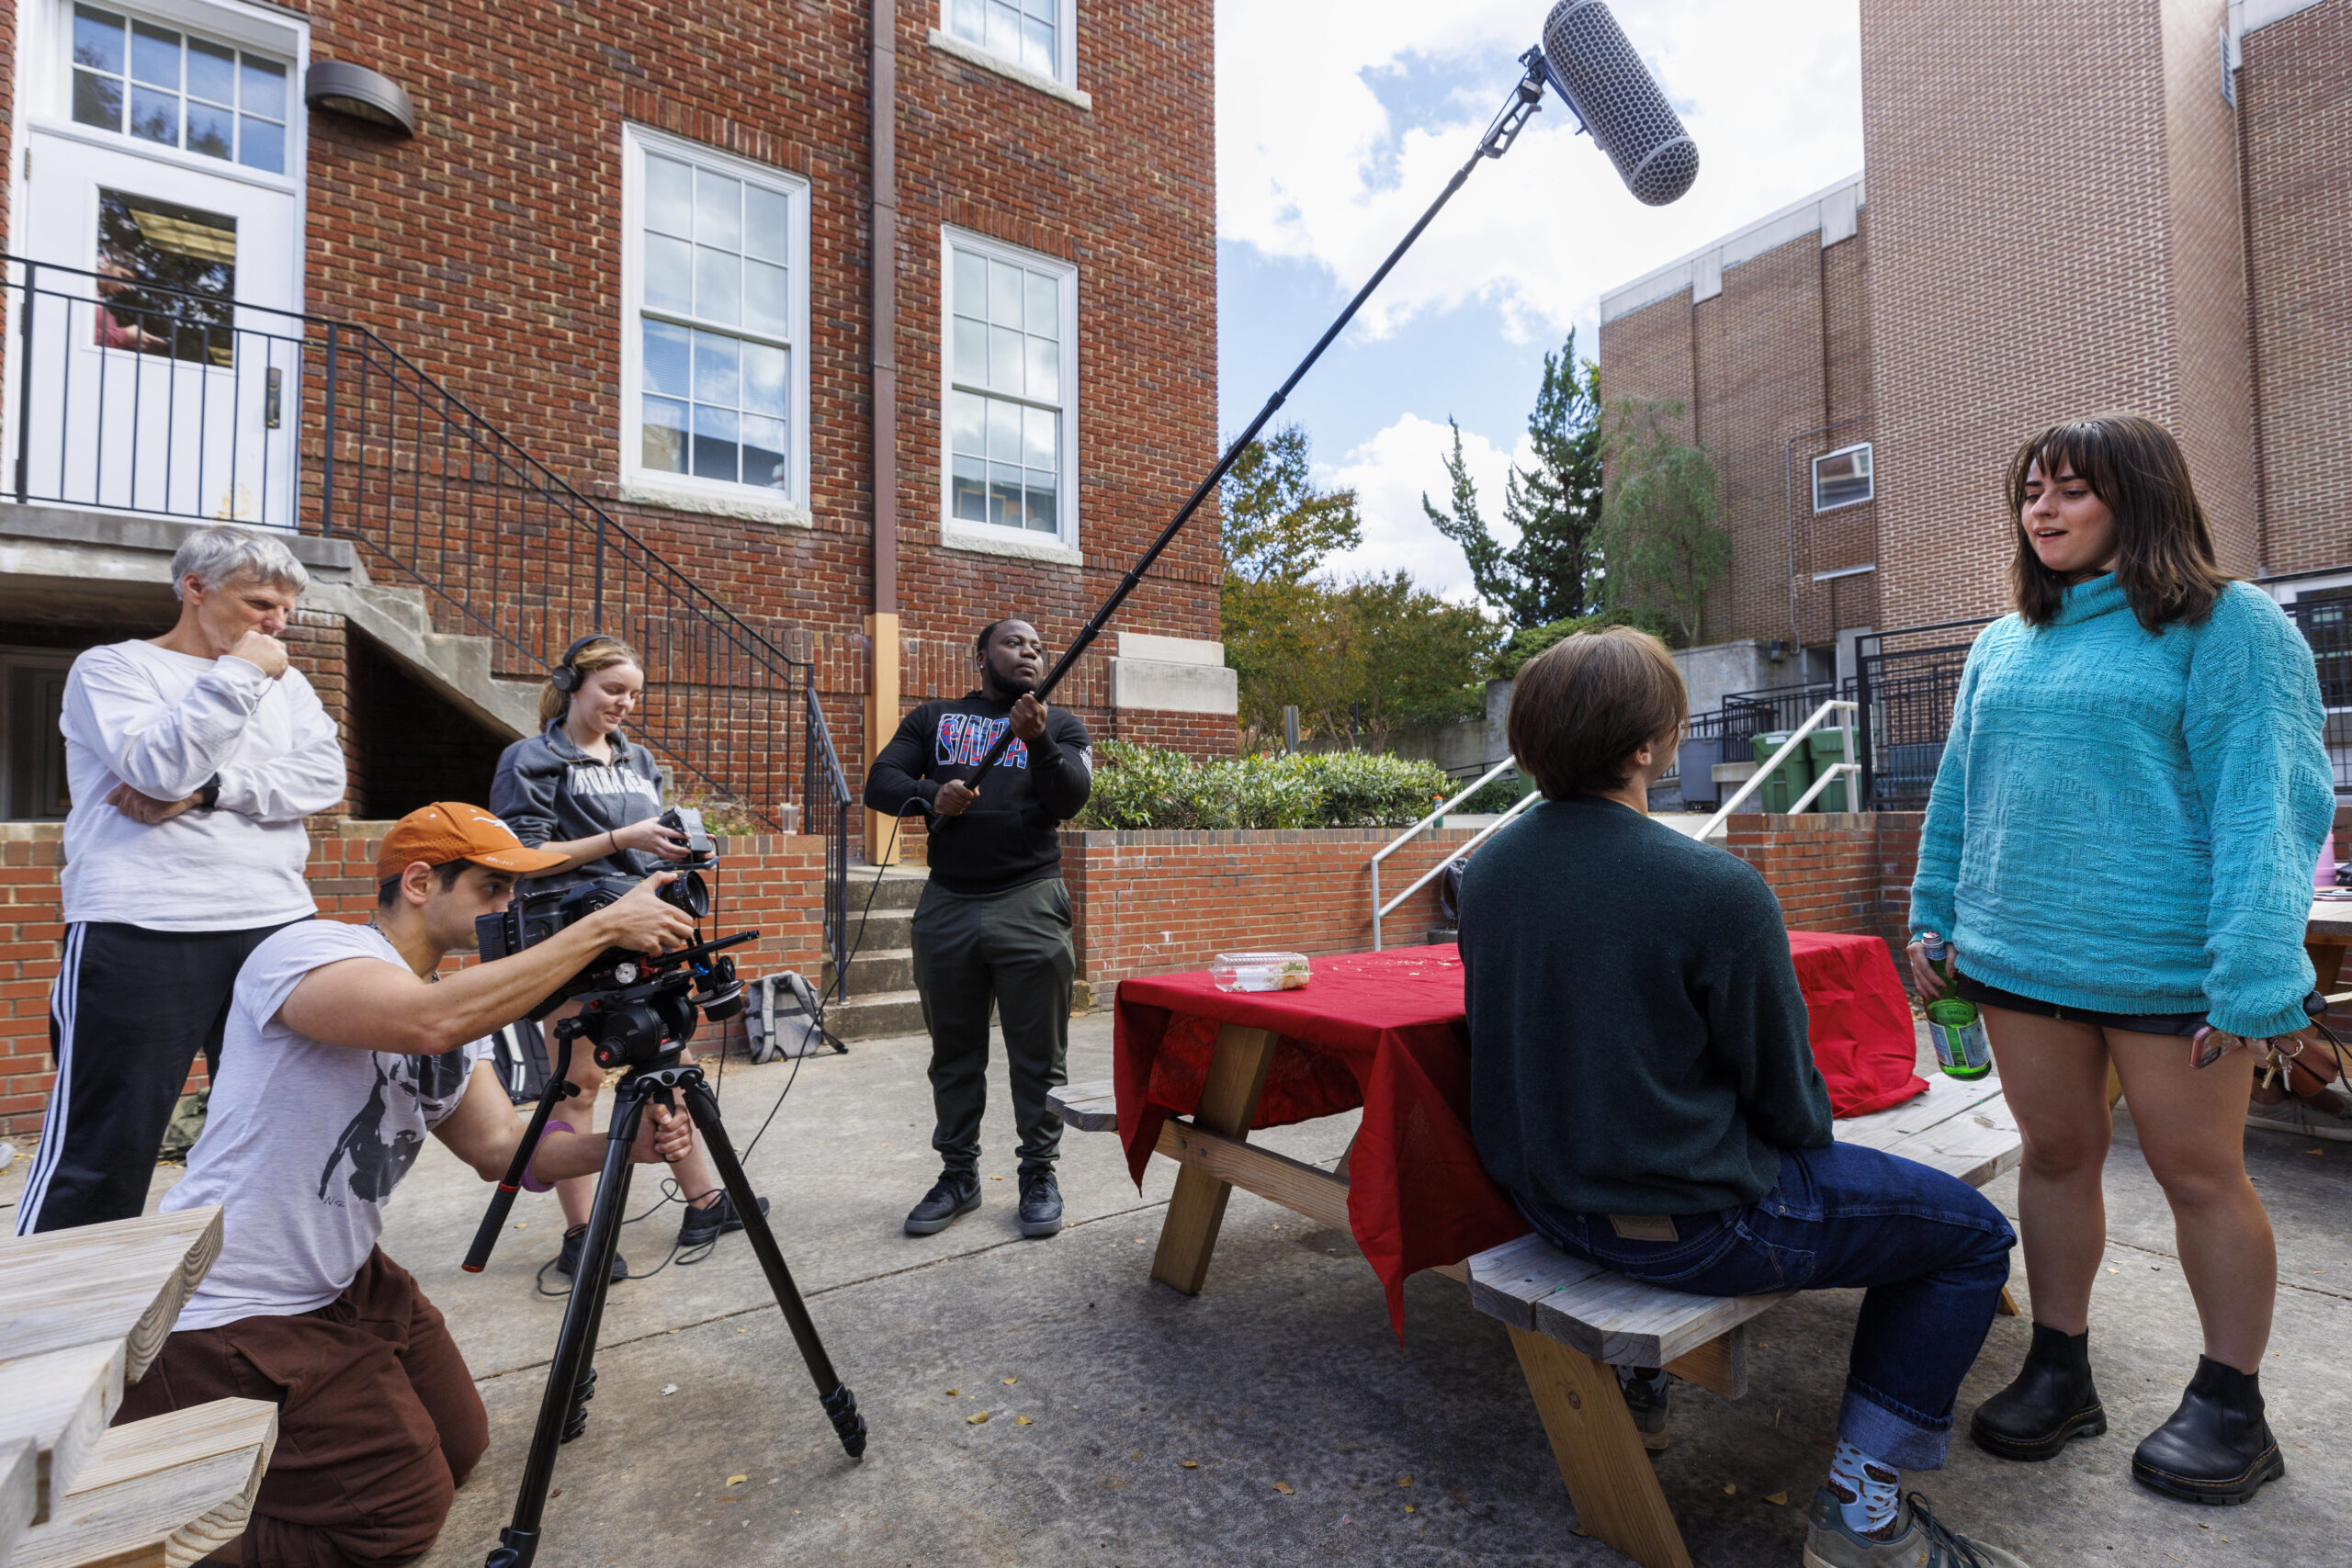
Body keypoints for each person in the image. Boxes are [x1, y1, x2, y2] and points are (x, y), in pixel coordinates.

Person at [1461, 626, 2030, 1568]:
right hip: (1694, 1227)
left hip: (1545, 1202)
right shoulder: (1711, 887)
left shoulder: (1487, 874)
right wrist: (1817, 1137)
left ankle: (1643, 1397)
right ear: (1647, 747)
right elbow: (1786, 1102)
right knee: (1970, 1237)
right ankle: (1862, 1512)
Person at [1908, 414, 2333, 1506]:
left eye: (2069, 491)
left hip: (2171, 974)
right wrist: (1932, 914)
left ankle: (2232, 1405)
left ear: (2136, 500)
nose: (2039, 511)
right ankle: (2059, 1368)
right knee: (2055, 1158)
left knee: (2199, 1176)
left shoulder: (2227, 626)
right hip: (2015, 958)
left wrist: (2252, 976)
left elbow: (2267, 805)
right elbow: (1961, 789)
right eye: (2029, 493)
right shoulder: (2005, 638)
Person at [112, 802, 697, 1567]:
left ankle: (266, 1452)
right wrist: (596, 929)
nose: (507, 906)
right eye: (492, 888)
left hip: (345, 1277)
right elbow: (426, 1023)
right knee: (396, 1516)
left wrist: (623, 1147)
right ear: (421, 881)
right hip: (229, 1299)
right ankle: (133, 1539)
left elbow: (500, 1147)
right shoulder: (309, 951)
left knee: (462, 1444)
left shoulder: (459, 1008)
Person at [17, 525, 346, 1235]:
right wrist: (237, 677)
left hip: (273, 923)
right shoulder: (112, 669)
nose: (276, 623)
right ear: (195, 588)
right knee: (102, 1149)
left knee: (270, 1138)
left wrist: (212, 791)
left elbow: (323, 778)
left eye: (288, 609)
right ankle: (47, 1335)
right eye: (260, 601)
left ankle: (236, 1315)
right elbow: (157, 766)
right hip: (143, 926)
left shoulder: (286, 685)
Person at [490, 633, 757, 1278]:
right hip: (572, 939)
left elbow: (648, 845)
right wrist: (620, 836)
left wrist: (681, 850)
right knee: (576, 1084)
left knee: (673, 1061)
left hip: (650, 929)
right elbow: (518, 858)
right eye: (613, 689)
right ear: (572, 683)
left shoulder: (637, 758)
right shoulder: (530, 757)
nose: (624, 704)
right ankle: (583, 1233)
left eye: (634, 693)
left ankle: (705, 1201)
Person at [863, 618, 1092, 1240]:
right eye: (1015, 642)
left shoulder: (1062, 724)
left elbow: (1071, 797)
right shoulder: (934, 717)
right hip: (949, 904)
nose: (1029, 651)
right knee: (954, 1053)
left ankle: (1038, 1174)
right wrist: (934, 794)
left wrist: (1039, 741)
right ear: (981, 654)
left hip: (1030, 899)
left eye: (1037, 646)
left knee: (1039, 1056)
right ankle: (958, 1176)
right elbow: (879, 782)